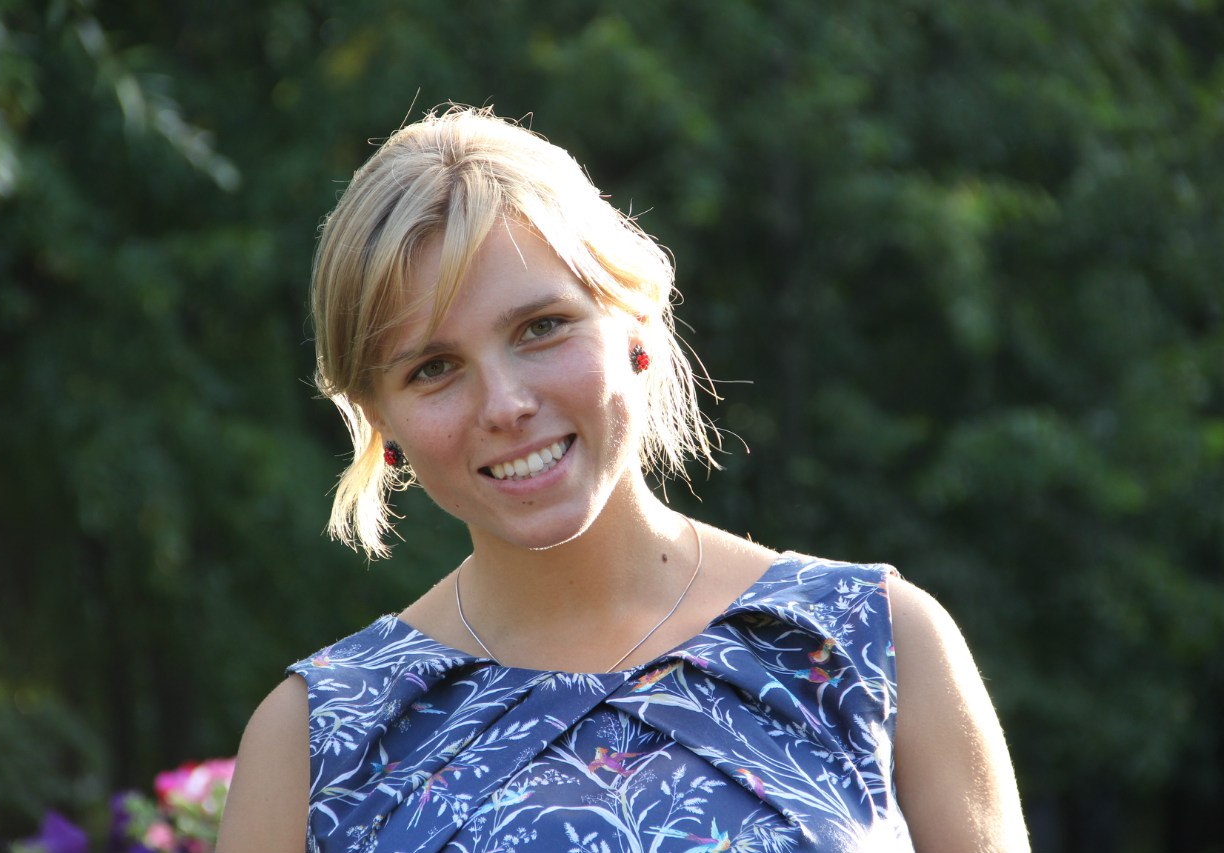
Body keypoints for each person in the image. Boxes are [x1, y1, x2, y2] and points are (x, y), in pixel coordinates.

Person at [216, 106, 1030, 853]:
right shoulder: (314, 743)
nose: (506, 404)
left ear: (633, 318)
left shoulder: (874, 642)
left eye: (541, 327)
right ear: (380, 418)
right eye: (434, 367)